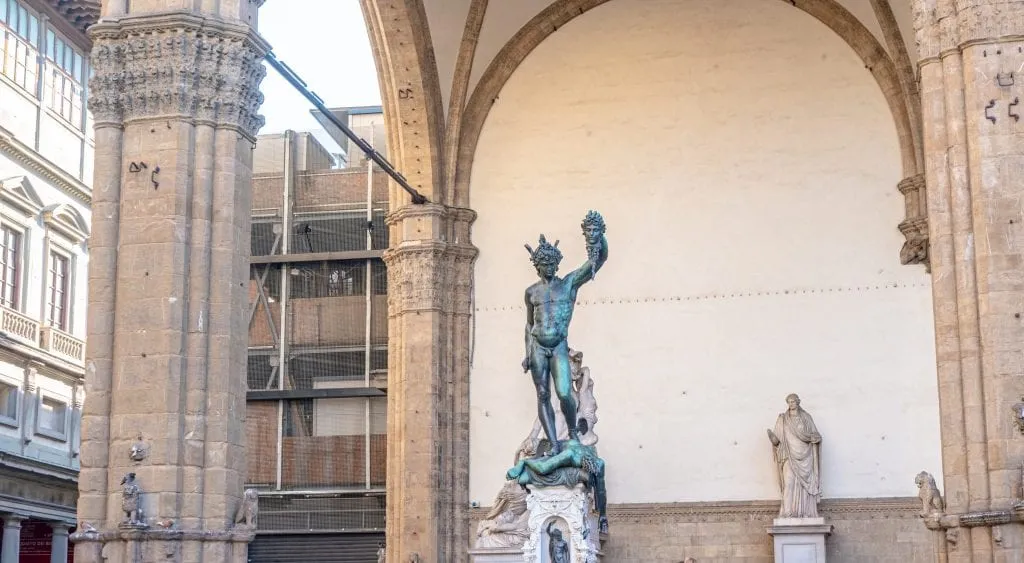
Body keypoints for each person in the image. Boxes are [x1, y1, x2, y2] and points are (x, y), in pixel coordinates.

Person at [522, 211, 608, 455]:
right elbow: (529, 324)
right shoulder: (531, 292)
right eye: (543, 265)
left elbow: (596, 261)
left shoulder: (568, 284)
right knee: (542, 393)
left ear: (556, 264)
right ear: (537, 266)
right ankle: (554, 444)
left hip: (558, 345)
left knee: (563, 392)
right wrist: (527, 352)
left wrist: (598, 238)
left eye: (551, 264)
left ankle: (572, 435)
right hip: (538, 346)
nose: (547, 268)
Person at [767, 393, 822, 518]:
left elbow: (815, 434)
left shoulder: (806, 417)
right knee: (789, 482)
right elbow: (777, 440)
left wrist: (815, 438)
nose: (791, 404)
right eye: (789, 402)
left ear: (798, 402)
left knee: (803, 485)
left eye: (793, 401)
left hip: (805, 457)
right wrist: (771, 436)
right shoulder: (782, 419)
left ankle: (806, 512)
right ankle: (788, 512)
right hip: (789, 455)